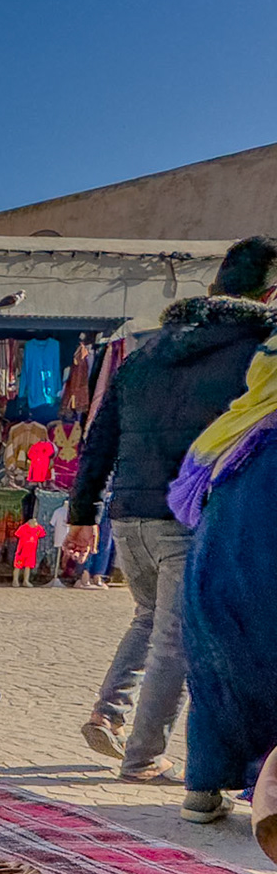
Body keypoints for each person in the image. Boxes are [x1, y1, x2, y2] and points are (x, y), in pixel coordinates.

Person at [64, 236, 277, 784]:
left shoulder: (144, 352)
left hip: (128, 514)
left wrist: (84, 515)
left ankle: (107, 714)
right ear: (270, 293)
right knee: (178, 641)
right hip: (192, 516)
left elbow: (98, 438)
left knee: (150, 619)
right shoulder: (259, 350)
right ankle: (143, 757)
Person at [170, 319, 277, 823]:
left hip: (212, 581)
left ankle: (203, 785)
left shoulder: (237, 429)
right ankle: (266, 792)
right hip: (261, 585)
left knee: (217, 673)